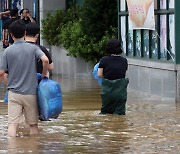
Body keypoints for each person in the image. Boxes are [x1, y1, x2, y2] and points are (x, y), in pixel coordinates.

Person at [0, 20, 49, 137]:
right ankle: (33, 147)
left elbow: (2, 73)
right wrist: (43, 73)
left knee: (12, 124)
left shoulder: (7, 51)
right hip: (30, 93)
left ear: (11, 35)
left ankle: (12, 149)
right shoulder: (33, 48)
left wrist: (6, 86)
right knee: (33, 125)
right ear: (25, 33)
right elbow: (45, 60)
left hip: (13, 93)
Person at [98, 39, 129, 115]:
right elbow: (123, 73)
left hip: (108, 91)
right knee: (120, 115)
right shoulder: (124, 60)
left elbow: (99, 74)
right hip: (120, 91)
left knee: (105, 114)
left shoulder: (103, 60)